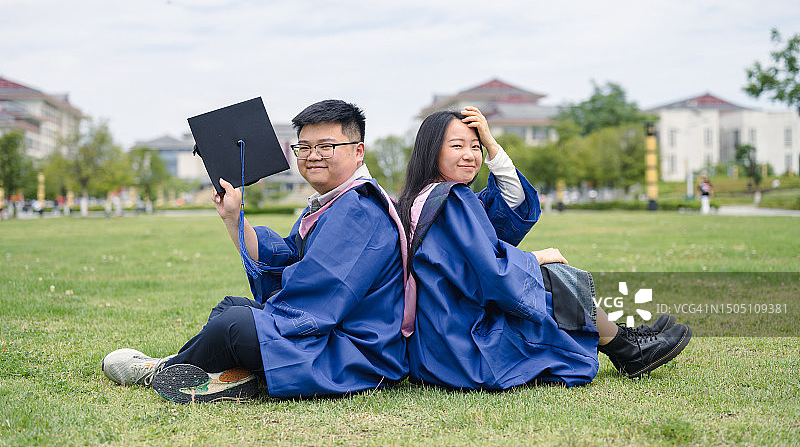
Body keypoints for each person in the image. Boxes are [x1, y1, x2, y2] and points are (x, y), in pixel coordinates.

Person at [102, 100, 408, 403]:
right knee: (232, 308)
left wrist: (260, 320)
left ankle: (162, 370)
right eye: (304, 147)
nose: (313, 156)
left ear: (358, 151)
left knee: (235, 324)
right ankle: (223, 377)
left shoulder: (359, 210)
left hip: (353, 354)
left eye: (326, 147)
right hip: (334, 334)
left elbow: (320, 293)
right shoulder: (336, 201)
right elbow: (286, 259)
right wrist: (233, 218)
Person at [397, 107, 692, 389]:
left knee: (550, 285)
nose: (469, 155)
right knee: (552, 279)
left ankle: (622, 340)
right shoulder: (452, 199)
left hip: (438, 346)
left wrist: (492, 145)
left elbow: (510, 201)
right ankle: (625, 348)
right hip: (465, 344)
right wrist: (536, 258)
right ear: (432, 150)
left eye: (476, 147)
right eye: (457, 146)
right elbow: (491, 272)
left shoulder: (427, 198)